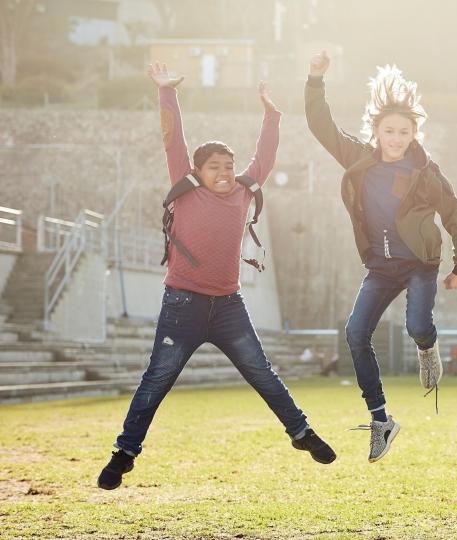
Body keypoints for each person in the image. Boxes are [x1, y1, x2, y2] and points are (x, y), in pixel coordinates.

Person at [97, 63, 336, 491]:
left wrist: (272, 115)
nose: (224, 172)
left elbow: (264, 157)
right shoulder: (185, 188)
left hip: (228, 307)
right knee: (157, 379)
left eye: (228, 165)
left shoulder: (245, 190)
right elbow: (174, 140)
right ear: (197, 170)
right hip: (182, 305)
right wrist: (167, 92)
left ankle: (301, 434)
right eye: (214, 166)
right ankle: (124, 454)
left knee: (262, 372)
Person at [304, 51, 457, 462]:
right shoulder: (358, 158)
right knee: (355, 334)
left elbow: (454, 214)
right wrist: (315, 79)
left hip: (419, 264)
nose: (396, 138)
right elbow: (320, 126)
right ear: (376, 130)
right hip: (380, 268)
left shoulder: (425, 173)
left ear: (414, 134)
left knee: (417, 324)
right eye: (389, 131)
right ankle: (381, 418)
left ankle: (427, 348)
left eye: (404, 132)